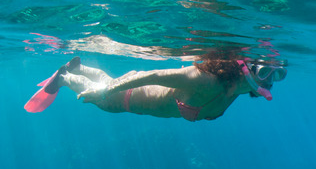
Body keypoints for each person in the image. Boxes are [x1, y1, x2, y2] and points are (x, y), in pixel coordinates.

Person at [25, 51, 287, 121]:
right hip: (126, 96)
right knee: (98, 96)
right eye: (265, 71)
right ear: (245, 68)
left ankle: (78, 67)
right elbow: (152, 76)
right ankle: (64, 77)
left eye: (277, 74)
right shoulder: (204, 80)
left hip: (132, 99)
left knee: (105, 81)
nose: (270, 80)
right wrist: (106, 91)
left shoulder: (234, 90)